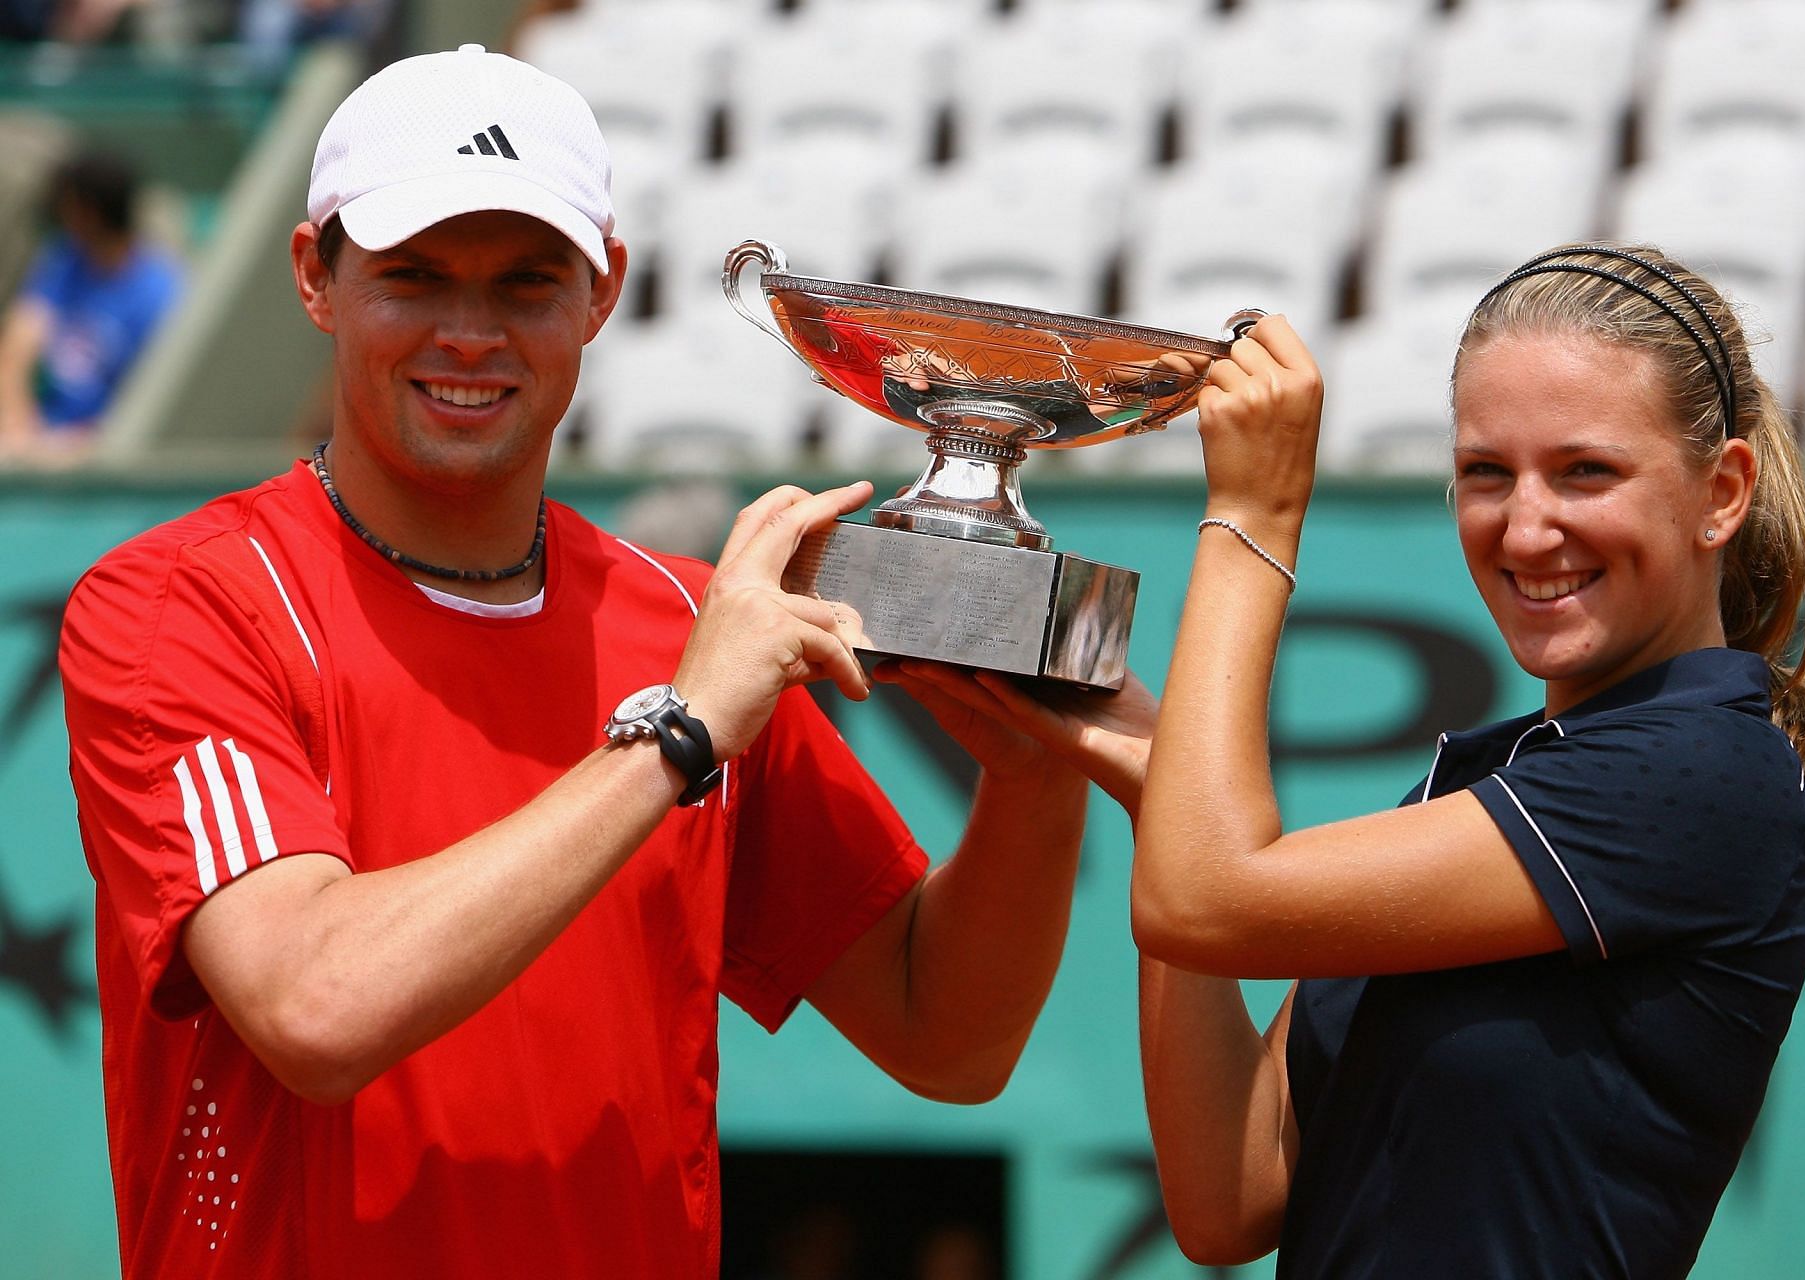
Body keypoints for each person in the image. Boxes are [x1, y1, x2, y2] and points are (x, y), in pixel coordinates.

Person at [58, 45, 1129, 1279]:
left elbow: (949, 1032)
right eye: (412, 276)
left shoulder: (687, 623)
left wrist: (1032, 780)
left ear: (602, 291)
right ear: (316, 275)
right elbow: (316, 1003)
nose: (470, 332)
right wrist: (675, 736)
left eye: (526, 282)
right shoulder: (183, 601)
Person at [1115, 244, 1805, 1275]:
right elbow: (1232, 1193)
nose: (1527, 526)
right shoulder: (1489, 786)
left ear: (1721, 491)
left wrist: (1253, 516)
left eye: (1586, 470)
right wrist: (1159, 791)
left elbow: (1203, 896)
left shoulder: (1706, 768)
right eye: (1486, 473)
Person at [0, 149, 182, 465]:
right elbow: (17, 347)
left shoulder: (160, 291)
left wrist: (78, 446)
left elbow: (152, 404)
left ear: (89, 212)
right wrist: (19, 425)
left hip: (112, 453)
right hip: (46, 437)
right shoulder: (65, 260)